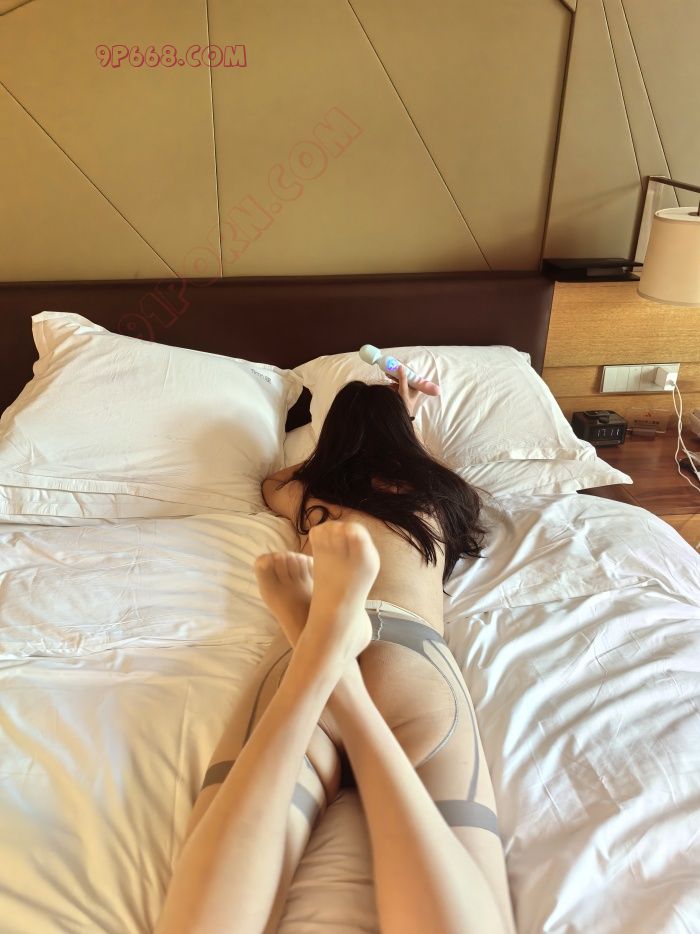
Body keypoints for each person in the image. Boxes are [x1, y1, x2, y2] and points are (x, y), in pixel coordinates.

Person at [156, 367, 516, 934]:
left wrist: (328, 450)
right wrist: (405, 421)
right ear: (407, 436)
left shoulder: (311, 492)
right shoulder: (441, 492)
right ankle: (340, 675)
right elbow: (424, 464)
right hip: (411, 650)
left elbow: (273, 480)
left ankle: (325, 654)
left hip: (308, 622)